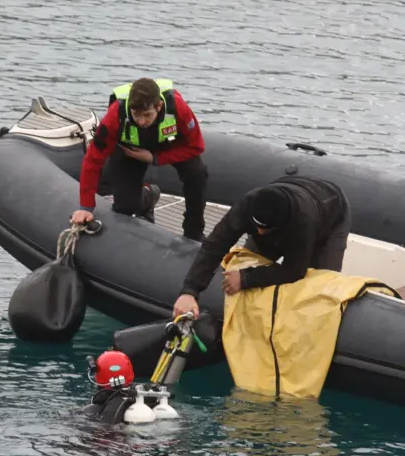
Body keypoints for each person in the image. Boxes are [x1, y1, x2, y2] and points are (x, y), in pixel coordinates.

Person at [172, 175, 352, 318]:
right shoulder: (247, 205)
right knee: (249, 259)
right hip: (289, 198)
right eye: (256, 226)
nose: (259, 232)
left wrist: (245, 279)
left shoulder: (304, 222)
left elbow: (294, 271)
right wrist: (190, 290)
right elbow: (215, 245)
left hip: (332, 213)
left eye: (265, 229)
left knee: (317, 283)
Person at [70, 78, 208, 241]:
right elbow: (93, 159)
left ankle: (194, 231)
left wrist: (155, 158)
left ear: (159, 107)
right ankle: (148, 196)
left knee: (198, 173)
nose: (141, 121)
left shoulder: (179, 109)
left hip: (167, 145)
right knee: (125, 207)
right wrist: (86, 207)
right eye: (136, 115)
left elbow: (196, 146)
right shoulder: (115, 115)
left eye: (147, 115)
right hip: (130, 151)